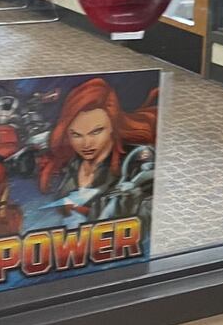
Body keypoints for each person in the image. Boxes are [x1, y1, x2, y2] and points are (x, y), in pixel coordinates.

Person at [39, 77, 158, 229]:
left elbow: (148, 216)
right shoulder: (75, 163)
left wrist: (132, 198)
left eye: (96, 132)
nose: (86, 144)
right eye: (76, 135)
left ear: (113, 126)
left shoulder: (135, 160)